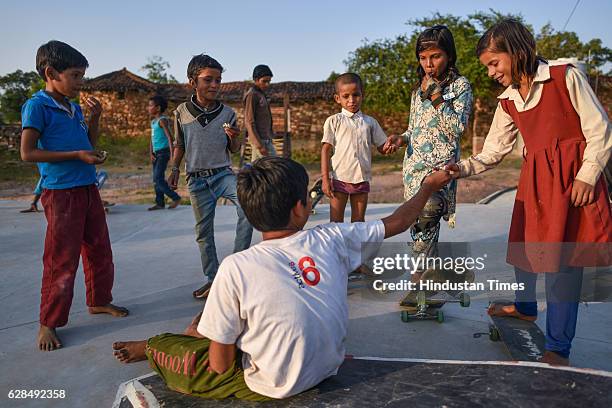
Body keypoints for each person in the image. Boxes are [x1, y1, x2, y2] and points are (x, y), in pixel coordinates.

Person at [113, 156, 452, 400]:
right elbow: (397, 222)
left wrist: (215, 338)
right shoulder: (330, 238)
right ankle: (203, 330)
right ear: (299, 208)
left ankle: (151, 347)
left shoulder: (236, 267)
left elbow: (219, 366)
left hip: (271, 387)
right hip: (327, 367)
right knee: (215, 322)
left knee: (182, 347)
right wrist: (427, 186)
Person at [446, 19, 611, 366]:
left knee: (562, 266)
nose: (491, 72)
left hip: (571, 182)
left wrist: (587, 175)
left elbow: (601, 130)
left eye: (495, 63)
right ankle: (524, 308)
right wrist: (460, 168)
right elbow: (493, 152)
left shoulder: (565, 77)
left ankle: (558, 349)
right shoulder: (507, 101)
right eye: (487, 66)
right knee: (523, 247)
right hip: (535, 181)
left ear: (518, 52)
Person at [20, 40, 128, 352]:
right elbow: (28, 153)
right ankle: (48, 322)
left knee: (99, 250)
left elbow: (88, 144)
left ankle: (99, 301)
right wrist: (76, 155)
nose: (80, 83)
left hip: (87, 187)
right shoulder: (37, 106)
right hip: (60, 193)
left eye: (82, 76)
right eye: (76, 76)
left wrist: (94, 123)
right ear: (51, 72)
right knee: (61, 260)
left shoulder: (75, 107)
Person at [385, 26, 474, 305]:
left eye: (435, 57)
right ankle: (425, 280)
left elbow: (456, 128)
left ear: (449, 55)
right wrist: (400, 138)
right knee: (420, 225)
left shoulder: (460, 87)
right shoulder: (417, 90)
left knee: (429, 211)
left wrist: (436, 96)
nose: (428, 64)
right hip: (413, 168)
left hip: (440, 169)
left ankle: (421, 281)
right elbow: (416, 129)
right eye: (423, 58)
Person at [167, 54, 252, 300]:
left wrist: (234, 136)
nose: (215, 85)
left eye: (218, 80)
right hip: (196, 179)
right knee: (203, 232)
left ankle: (236, 269)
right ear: (193, 82)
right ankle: (213, 278)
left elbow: (234, 149)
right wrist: (174, 168)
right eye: (208, 80)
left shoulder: (227, 114)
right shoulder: (181, 112)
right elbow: (180, 144)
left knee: (246, 207)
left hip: (223, 174)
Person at [321, 73, 395, 224]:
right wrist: (325, 179)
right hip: (339, 178)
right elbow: (326, 150)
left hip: (362, 178)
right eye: (346, 96)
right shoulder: (334, 121)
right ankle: (337, 248)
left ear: (362, 95)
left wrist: (390, 146)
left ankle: (355, 248)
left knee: (359, 221)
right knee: (335, 223)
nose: (351, 100)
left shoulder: (370, 122)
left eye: (356, 95)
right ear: (337, 98)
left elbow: (382, 147)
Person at [147, 95, 181, 211]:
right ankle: (160, 203)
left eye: (150, 105)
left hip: (163, 153)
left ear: (158, 108)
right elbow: (152, 139)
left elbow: (170, 138)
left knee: (158, 178)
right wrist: (151, 153)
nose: (148, 108)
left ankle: (175, 197)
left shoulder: (162, 120)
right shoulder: (153, 122)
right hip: (156, 154)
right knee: (157, 179)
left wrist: (172, 155)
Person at [244, 64, 276, 161]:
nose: (267, 84)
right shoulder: (252, 95)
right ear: (256, 80)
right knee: (274, 167)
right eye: (264, 81)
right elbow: (249, 121)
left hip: (266, 138)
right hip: (260, 140)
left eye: (269, 81)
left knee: (258, 170)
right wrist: (259, 145)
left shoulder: (261, 94)